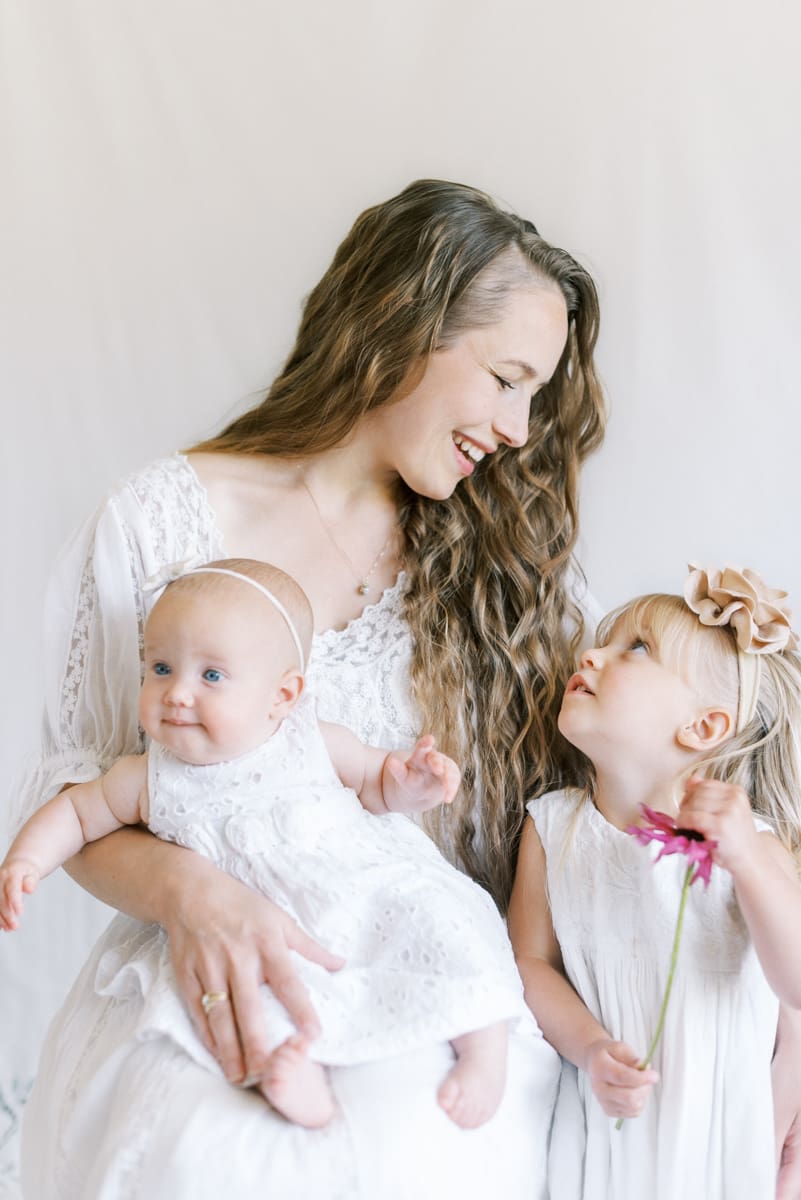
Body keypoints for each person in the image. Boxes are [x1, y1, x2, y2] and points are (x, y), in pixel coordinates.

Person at [14, 178, 801, 1199]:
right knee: (215, 1158)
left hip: (438, 978)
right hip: (219, 968)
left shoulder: (517, 567)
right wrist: (196, 896)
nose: (521, 429)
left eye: (537, 395)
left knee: (413, 1143)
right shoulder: (163, 524)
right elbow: (79, 795)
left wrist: (783, 1028)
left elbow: (661, 798)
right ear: (403, 325)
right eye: (508, 377)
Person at [2, 557, 525, 1131]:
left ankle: (483, 1045)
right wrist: (28, 858)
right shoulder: (149, 777)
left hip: (368, 885)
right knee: (252, 989)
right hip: (271, 923)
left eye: (211, 677)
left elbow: (378, 784)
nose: (176, 693)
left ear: (282, 696)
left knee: (444, 918)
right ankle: (296, 1071)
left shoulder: (307, 739)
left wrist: (413, 782)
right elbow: (78, 813)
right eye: (160, 667)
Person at [509, 564, 801, 1199]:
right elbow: (529, 963)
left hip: (718, 1128)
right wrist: (588, 1049)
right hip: (607, 1118)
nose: (591, 652)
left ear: (702, 728)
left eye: (635, 648)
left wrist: (746, 861)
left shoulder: (748, 842)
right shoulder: (554, 826)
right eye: (608, 641)